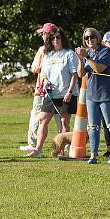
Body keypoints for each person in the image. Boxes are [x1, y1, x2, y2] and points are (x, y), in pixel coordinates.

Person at [26, 29, 78, 157]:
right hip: (51, 94)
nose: (55, 40)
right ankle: (38, 149)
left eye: (58, 37)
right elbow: (43, 74)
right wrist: (44, 83)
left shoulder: (69, 54)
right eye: (53, 38)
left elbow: (74, 75)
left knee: (64, 122)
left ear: (62, 39)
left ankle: (63, 150)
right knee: (42, 120)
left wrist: (70, 92)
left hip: (66, 94)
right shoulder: (48, 55)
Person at [76, 28, 110, 164]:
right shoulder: (89, 52)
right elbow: (81, 74)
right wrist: (80, 59)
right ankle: (93, 155)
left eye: (91, 37)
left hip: (106, 94)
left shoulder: (105, 51)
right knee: (93, 126)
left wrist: (87, 57)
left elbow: (98, 68)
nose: (89, 40)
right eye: (86, 38)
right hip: (91, 94)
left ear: (97, 38)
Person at [21, 23, 61, 151]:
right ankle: (33, 143)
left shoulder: (54, 50)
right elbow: (34, 68)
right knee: (38, 116)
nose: (42, 36)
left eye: (44, 33)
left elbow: (36, 68)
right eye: (42, 34)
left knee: (59, 117)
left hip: (57, 89)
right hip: (41, 89)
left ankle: (64, 144)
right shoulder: (42, 50)